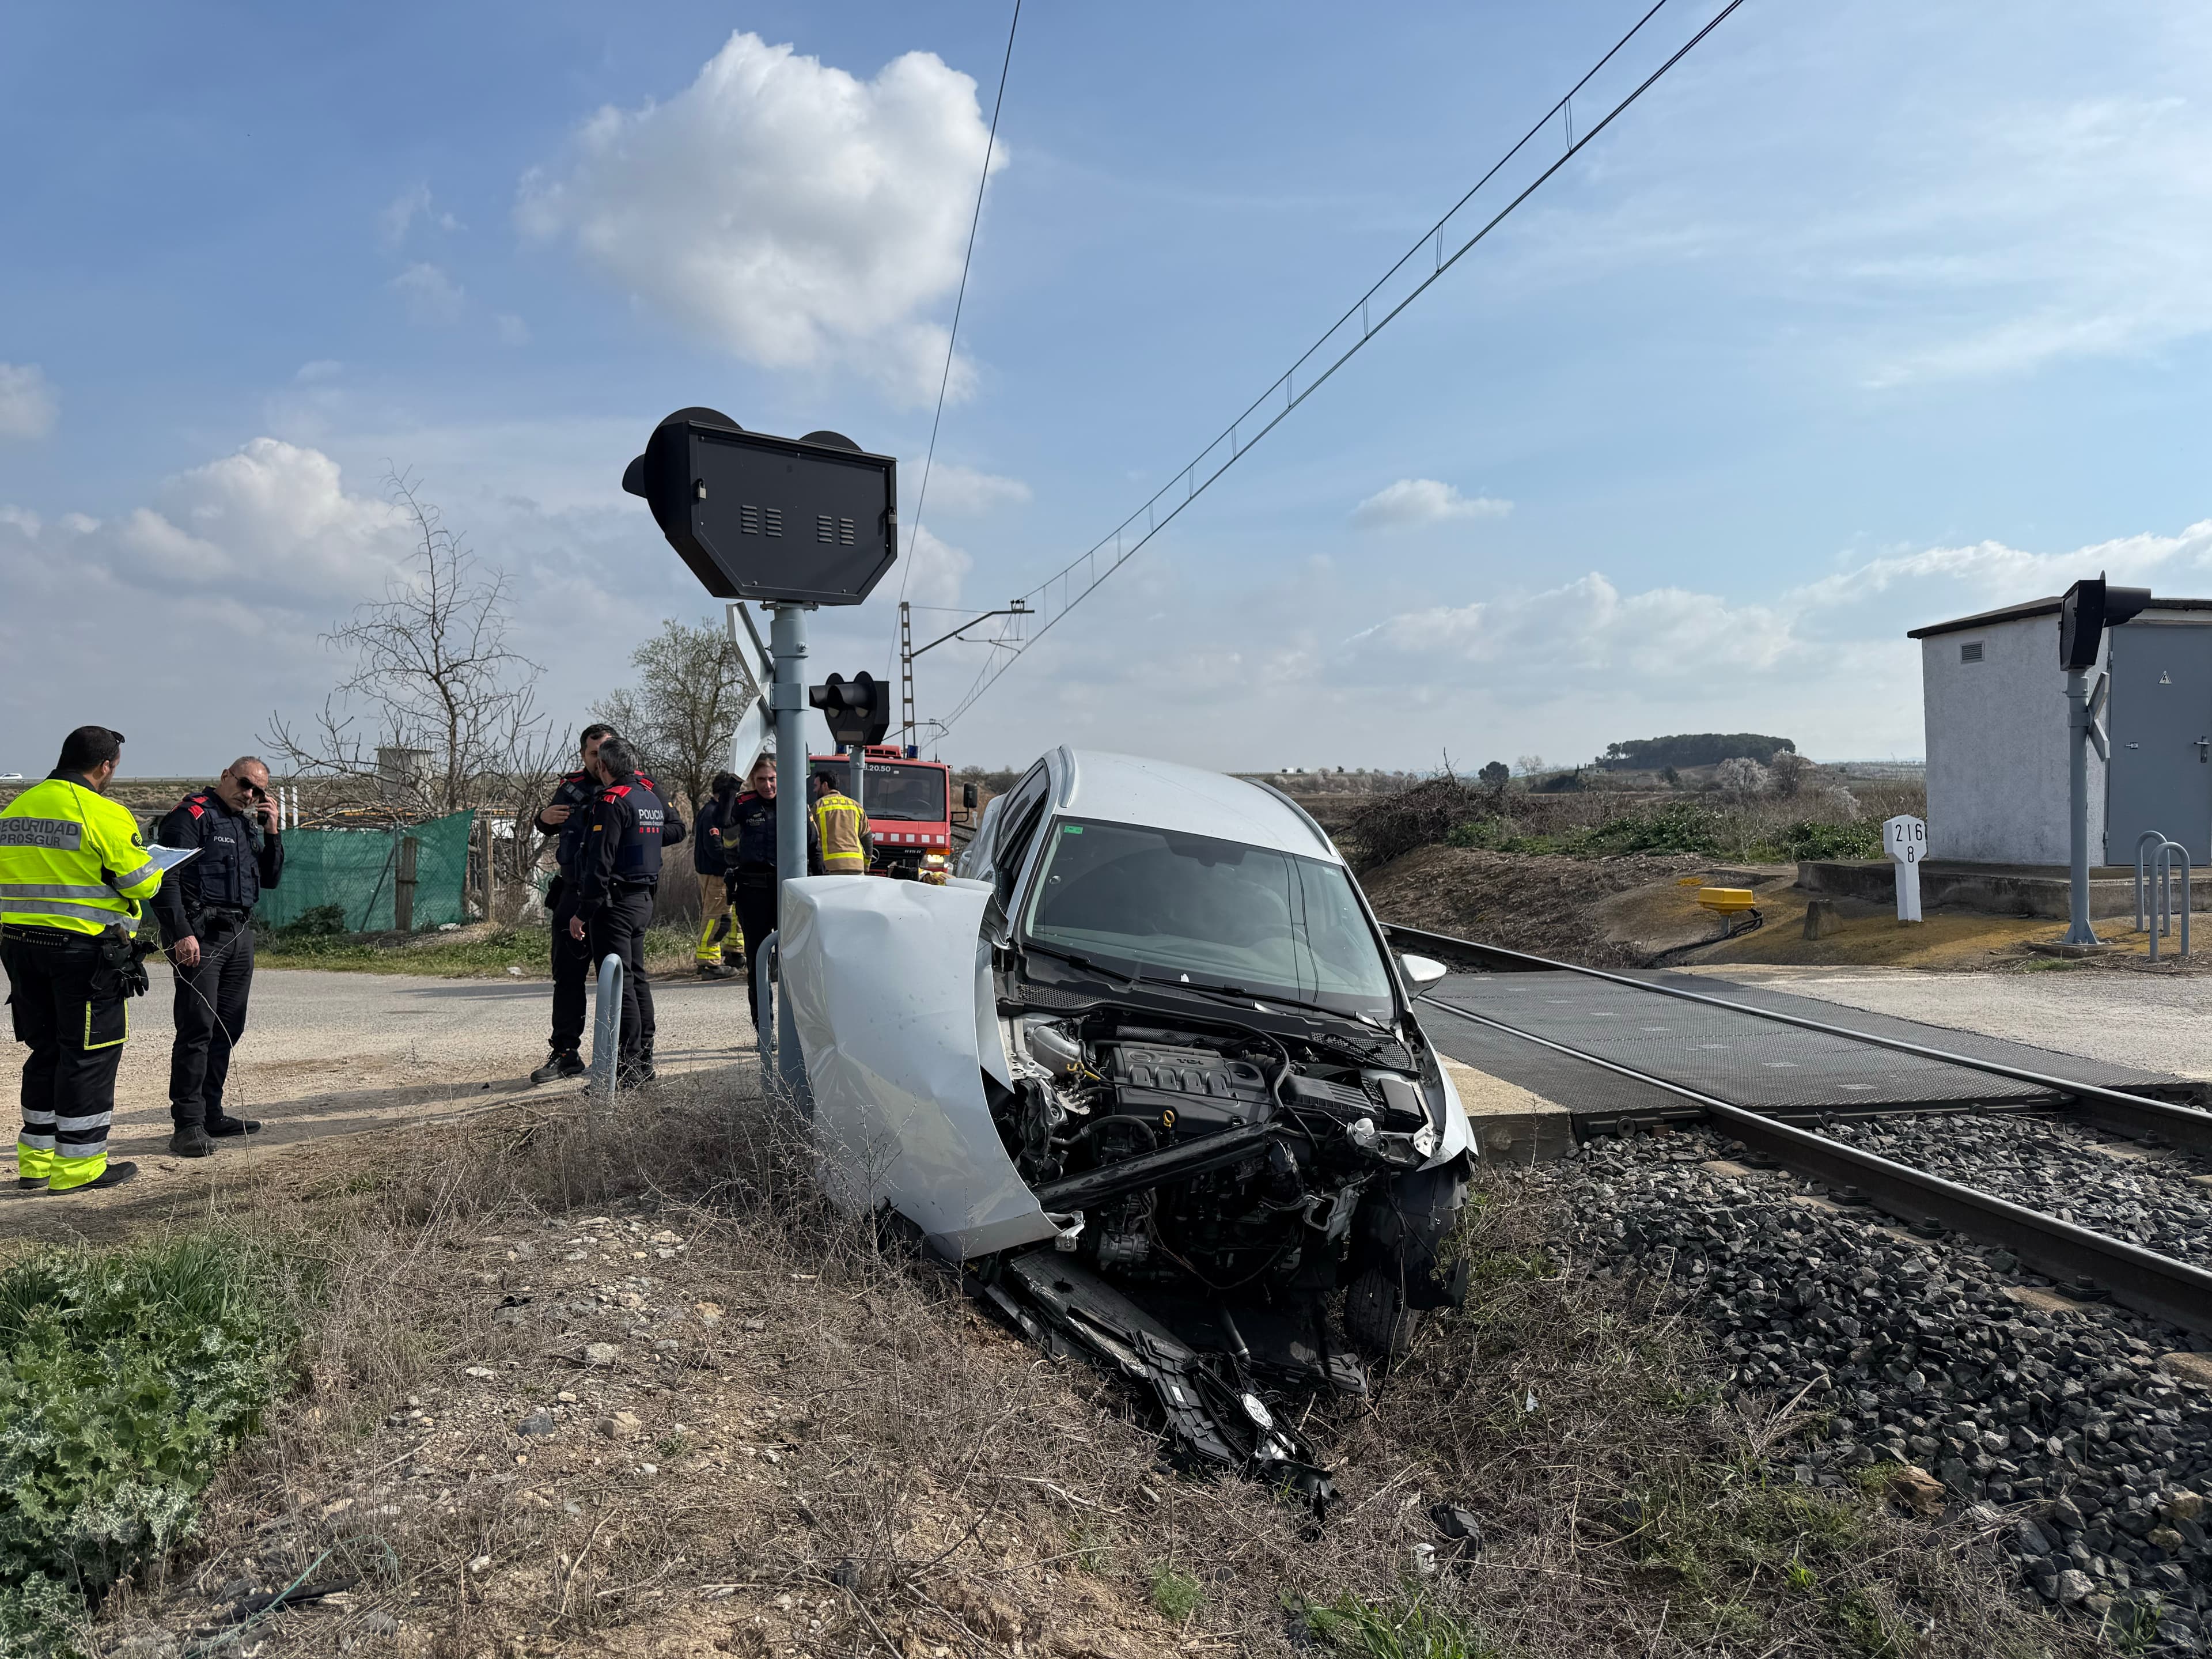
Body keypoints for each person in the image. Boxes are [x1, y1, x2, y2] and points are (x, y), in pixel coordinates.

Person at [0, 726, 165, 1194]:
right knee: (89, 1055)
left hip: (19, 946)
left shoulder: (15, 808)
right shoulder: (103, 812)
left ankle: (35, 1164)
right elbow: (140, 884)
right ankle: (79, 1169)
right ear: (105, 766)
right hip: (83, 954)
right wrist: (151, 865)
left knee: (45, 1051)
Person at [152, 757, 284, 1157]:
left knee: (229, 1026)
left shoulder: (244, 823)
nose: (250, 795)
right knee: (197, 1027)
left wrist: (273, 831)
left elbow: (271, 878)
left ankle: (211, 1113)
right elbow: (164, 878)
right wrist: (181, 933)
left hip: (238, 932)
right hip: (201, 936)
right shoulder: (191, 815)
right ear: (227, 775)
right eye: (246, 785)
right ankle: (187, 1124)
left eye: (259, 792)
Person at [570, 736, 684, 1085]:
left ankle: (629, 1068)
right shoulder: (648, 797)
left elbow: (600, 862)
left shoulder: (612, 800)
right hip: (643, 899)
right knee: (637, 979)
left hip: (616, 904)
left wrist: (583, 912)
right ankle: (643, 1059)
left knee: (621, 984)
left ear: (602, 766)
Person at [529, 723, 615, 1084]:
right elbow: (549, 823)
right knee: (567, 977)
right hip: (571, 894)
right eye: (593, 753)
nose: (599, 760)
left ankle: (622, 1058)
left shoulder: (634, 786)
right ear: (583, 755)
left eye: (605, 752)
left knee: (618, 979)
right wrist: (541, 818)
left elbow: (672, 829)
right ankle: (566, 1053)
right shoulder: (571, 787)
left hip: (614, 898)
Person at [721, 753, 820, 1020]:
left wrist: (820, 886)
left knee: (795, 960)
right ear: (753, 780)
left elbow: (814, 847)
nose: (768, 785)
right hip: (753, 891)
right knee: (758, 962)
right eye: (762, 779)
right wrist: (731, 786)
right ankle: (763, 1028)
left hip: (789, 891)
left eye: (773, 779)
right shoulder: (744, 804)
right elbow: (724, 821)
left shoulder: (795, 803)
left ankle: (798, 1029)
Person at [690, 771, 741, 979]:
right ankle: (709, 963)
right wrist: (736, 860)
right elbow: (715, 848)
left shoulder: (711, 811)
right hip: (716, 874)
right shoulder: (713, 813)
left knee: (726, 915)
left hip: (716, 873)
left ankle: (732, 953)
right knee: (716, 918)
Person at [811, 770, 874, 875]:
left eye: (816, 786)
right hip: (857, 866)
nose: (814, 790)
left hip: (832, 867)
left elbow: (810, 837)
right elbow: (867, 838)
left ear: (825, 785)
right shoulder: (856, 806)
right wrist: (866, 864)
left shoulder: (818, 806)